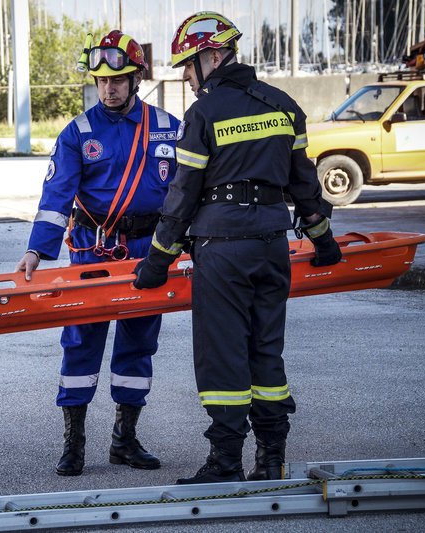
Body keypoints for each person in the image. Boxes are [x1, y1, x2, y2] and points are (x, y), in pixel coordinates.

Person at [133, 12, 342, 484]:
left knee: (222, 351)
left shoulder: (204, 113)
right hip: (272, 246)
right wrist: (322, 237)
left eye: (188, 65)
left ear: (211, 55)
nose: (186, 77)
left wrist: (157, 260)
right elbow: (304, 185)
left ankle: (225, 460)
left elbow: (183, 194)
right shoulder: (284, 105)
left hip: (222, 249)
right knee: (266, 350)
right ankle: (271, 458)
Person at [16, 30, 181, 476]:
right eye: (101, 81)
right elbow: (56, 195)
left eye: (118, 80)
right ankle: (74, 442)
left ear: (136, 79)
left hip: (152, 251)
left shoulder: (169, 127)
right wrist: (37, 250)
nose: (108, 88)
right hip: (92, 251)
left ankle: (124, 440)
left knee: (140, 341)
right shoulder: (78, 132)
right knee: (81, 342)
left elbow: (189, 194)